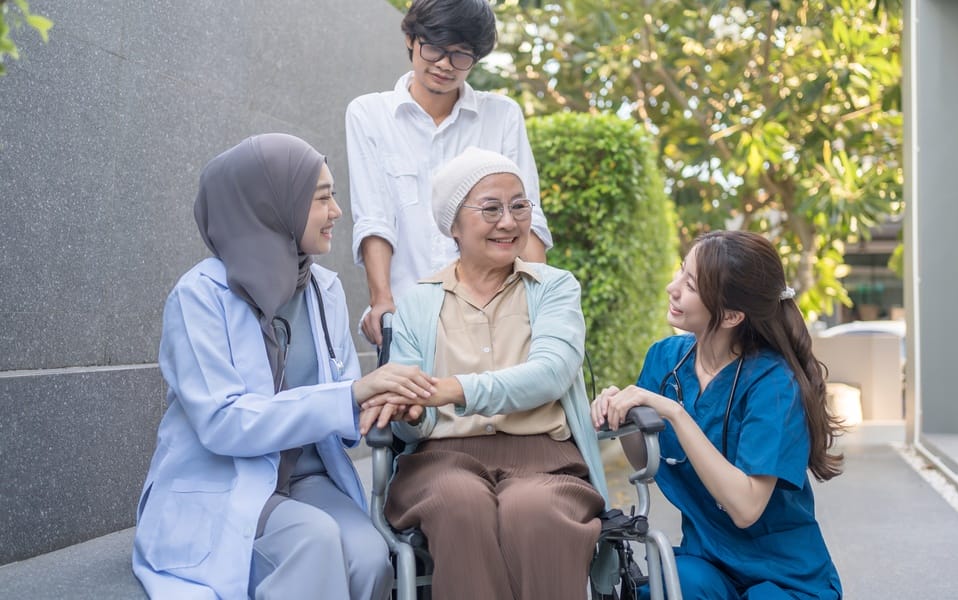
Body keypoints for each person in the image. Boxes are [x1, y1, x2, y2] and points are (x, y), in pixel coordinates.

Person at [131, 133, 437, 599]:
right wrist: (350, 395)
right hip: (223, 479)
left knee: (371, 556)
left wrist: (387, 403)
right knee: (312, 543)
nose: (337, 211)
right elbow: (222, 423)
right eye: (321, 198)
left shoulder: (324, 289)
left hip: (307, 478)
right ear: (272, 206)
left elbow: (343, 404)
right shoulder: (198, 297)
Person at [358, 147, 607, 600]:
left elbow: (551, 373)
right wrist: (412, 414)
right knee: (459, 505)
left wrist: (451, 389)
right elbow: (415, 416)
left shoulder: (554, 287)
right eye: (491, 209)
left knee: (533, 511)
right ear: (453, 225)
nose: (509, 222)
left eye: (519, 206)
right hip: (442, 461)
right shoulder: (417, 301)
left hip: (544, 460)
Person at [591, 230, 844, 600]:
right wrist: (621, 413)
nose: (671, 288)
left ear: (731, 315)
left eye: (690, 284)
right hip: (708, 560)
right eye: (680, 271)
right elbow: (647, 458)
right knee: (671, 587)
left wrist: (676, 414)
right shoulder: (665, 361)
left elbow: (745, 508)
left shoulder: (773, 385)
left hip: (783, 573)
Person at [345, 0, 553, 347]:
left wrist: (544, 305)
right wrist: (381, 299)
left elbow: (526, 216)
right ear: (411, 38)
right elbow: (374, 218)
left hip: (496, 318)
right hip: (411, 316)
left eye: (460, 54)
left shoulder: (502, 116)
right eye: (434, 49)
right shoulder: (369, 114)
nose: (444, 64)